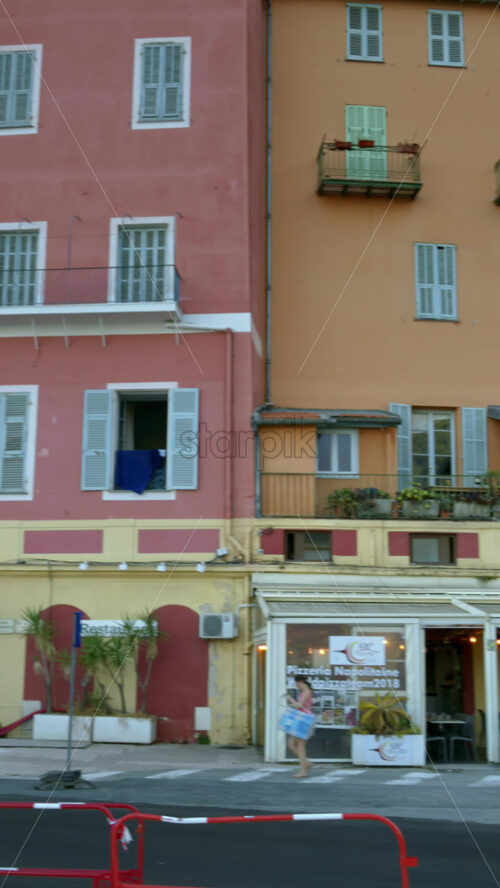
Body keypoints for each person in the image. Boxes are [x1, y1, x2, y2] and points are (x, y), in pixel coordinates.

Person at [287, 675, 314, 778]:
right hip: (300, 719)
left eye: (297, 684)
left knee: (300, 745)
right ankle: (306, 763)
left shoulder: (307, 691)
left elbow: (299, 705)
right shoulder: (305, 691)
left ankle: (303, 770)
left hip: (303, 719)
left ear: (302, 682)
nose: (297, 686)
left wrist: (291, 700)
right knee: (291, 744)